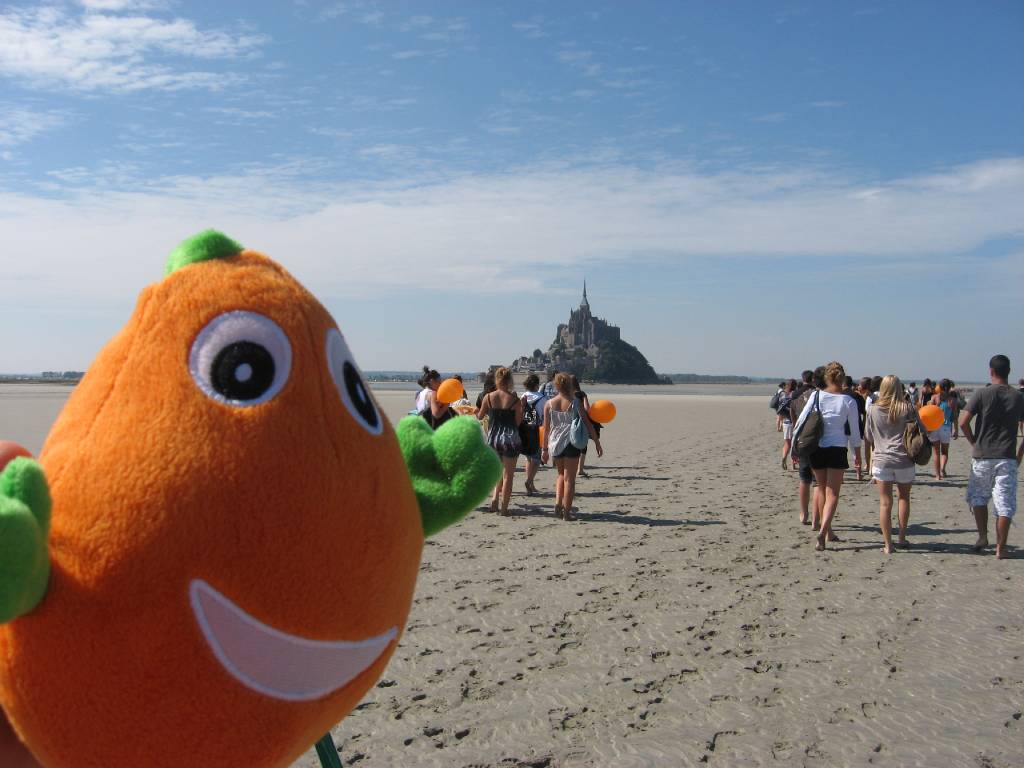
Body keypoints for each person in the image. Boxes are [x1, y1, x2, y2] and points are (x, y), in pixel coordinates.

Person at [959, 355, 1024, 559]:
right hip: (1006, 455)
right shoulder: (1018, 397)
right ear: (1009, 371)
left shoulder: (982, 393)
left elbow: (963, 422)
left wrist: (973, 442)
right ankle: (1001, 548)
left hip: (983, 455)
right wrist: (1019, 453)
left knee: (979, 498)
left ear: (991, 371)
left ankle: (982, 536)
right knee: (1004, 504)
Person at [793, 361, 862, 551]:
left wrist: (794, 447)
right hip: (837, 448)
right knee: (833, 493)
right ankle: (823, 532)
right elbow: (855, 432)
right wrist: (858, 454)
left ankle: (828, 530)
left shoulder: (816, 395)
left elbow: (800, 422)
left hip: (817, 448)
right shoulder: (848, 400)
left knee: (822, 489)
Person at [865, 375, 921, 553]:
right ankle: (902, 537)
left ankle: (888, 545)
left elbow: (868, 436)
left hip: (881, 459)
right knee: (903, 498)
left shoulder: (873, 409)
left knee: (885, 503)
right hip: (904, 459)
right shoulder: (908, 408)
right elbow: (921, 430)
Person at [541, 372, 602, 520]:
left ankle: (557, 503)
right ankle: (566, 513)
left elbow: (546, 429)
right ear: (569, 385)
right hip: (571, 443)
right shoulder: (575, 402)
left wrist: (544, 449)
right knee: (570, 479)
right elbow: (587, 423)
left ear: (556, 385)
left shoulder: (549, 404)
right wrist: (596, 441)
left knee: (561, 475)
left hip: (555, 443)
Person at [477, 367, 523, 516]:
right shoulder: (515, 400)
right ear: (510, 381)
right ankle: (504, 508)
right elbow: (517, 422)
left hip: (493, 438)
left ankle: (494, 500)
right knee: (508, 475)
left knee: (497, 473)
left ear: (496, 380)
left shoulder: (488, 397)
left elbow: (480, 416)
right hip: (510, 439)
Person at [788, 369, 819, 523]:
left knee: (804, 479)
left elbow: (795, 423)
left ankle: (804, 513)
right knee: (817, 481)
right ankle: (815, 517)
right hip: (817, 440)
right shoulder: (818, 396)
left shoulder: (795, 397)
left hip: (802, 439)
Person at [520, 373, 546, 495]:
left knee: (528, 458)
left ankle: (531, 485)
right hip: (537, 430)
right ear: (536, 385)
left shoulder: (523, 396)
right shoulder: (542, 398)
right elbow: (544, 416)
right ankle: (529, 480)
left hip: (524, 429)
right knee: (536, 459)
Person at [928, 378, 954, 479]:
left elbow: (930, 411)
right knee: (944, 452)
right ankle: (942, 469)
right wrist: (955, 429)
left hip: (935, 426)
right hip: (946, 427)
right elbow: (954, 416)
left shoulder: (935, 397)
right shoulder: (952, 400)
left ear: (939, 386)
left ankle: (937, 475)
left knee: (936, 452)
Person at [570, 375, 596, 478]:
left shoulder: (565, 394)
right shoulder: (581, 394)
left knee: (570, 445)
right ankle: (580, 469)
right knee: (582, 445)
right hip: (580, 422)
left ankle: (570, 468)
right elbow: (587, 408)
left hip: (567, 422)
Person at [845, 375, 866, 480]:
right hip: (855, 425)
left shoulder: (839, 395)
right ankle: (858, 473)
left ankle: (841, 476)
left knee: (842, 452)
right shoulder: (856, 395)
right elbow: (863, 410)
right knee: (856, 452)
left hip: (842, 427)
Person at [777, 379, 796, 470]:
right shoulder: (795, 395)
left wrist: (779, 423)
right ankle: (793, 464)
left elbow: (780, 411)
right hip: (795, 422)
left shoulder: (782, 395)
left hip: (786, 422)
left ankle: (784, 457)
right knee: (794, 443)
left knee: (787, 443)